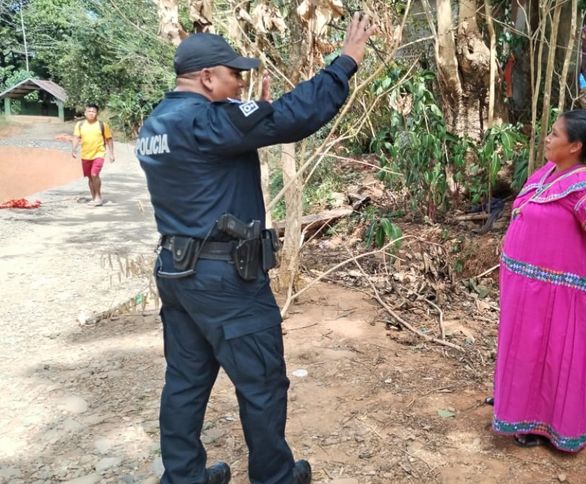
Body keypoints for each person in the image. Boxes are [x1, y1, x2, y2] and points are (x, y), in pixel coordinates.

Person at [137, 14, 376, 484]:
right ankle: (276, 477)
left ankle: (182, 477)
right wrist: (344, 63)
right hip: (225, 279)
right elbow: (295, 115)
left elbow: (216, 155)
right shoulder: (208, 119)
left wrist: (248, 120)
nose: (240, 85)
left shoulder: (155, 123)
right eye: (234, 76)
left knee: (185, 381)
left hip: (177, 273)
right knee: (262, 382)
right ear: (207, 78)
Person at [492, 110, 586, 452]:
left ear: (575, 146)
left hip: (554, 289)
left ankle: (544, 424)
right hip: (524, 284)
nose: (547, 138)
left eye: (555, 134)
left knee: (548, 351)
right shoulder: (547, 173)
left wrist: (571, 252)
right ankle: (515, 405)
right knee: (524, 348)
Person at [71, 103, 115, 206]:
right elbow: (76, 138)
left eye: (93, 112)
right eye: (89, 111)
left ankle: (98, 197)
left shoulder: (103, 125)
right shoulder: (80, 125)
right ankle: (94, 197)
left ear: (97, 113)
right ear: (85, 113)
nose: (91, 113)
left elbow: (109, 139)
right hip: (85, 155)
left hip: (99, 153)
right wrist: (74, 149)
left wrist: (111, 154)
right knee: (90, 177)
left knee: (94, 174)